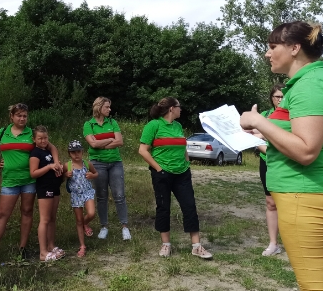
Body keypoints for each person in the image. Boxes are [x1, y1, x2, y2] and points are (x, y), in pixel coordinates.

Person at [240, 21, 323, 291]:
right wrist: (264, 133)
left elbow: (306, 149)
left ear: (294, 48)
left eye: (272, 46)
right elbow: (298, 137)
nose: (267, 52)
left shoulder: (309, 86)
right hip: (314, 193)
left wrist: (258, 120)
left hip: (308, 196)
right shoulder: (309, 82)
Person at [0, 104, 60, 264]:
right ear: (12, 117)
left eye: (24, 116)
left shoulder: (31, 133)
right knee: (2, 214)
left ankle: (23, 248)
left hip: (29, 180)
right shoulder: (3, 132)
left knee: (27, 212)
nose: (22, 118)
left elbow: (51, 146)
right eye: (18, 115)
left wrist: (56, 162)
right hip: (10, 180)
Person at [138, 97, 212, 259]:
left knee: (190, 207)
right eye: (179, 106)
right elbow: (143, 150)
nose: (181, 109)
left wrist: (187, 163)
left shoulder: (178, 126)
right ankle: (166, 245)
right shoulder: (153, 125)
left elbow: (183, 147)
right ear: (171, 108)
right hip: (162, 174)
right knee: (163, 207)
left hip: (182, 174)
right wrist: (159, 169)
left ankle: (196, 246)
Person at [83, 97, 131, 240]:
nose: (110, 109)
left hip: (115, 163)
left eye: (110, 107)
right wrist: (110, 140)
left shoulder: (113, 122)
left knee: (119, 195)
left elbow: (120, 141)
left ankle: (125, 227)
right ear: (99, 108)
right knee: (101, 196)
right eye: (107, 107)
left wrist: (101, 143)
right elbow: (92, 145)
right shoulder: (89, 124)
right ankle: (104, 226)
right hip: (97, 164)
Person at [254, 84, 284, 257]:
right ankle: (273, 244)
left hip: (286, 163)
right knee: (271, 203)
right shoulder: (264, 116)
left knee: (289, 203)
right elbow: (254, 137)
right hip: (267, 162)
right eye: (277, 97)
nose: (280, 100)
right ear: (271, 98)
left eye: (282, 96)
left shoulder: (292, 115)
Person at [29, 125, 63, 262]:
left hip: (54, 186)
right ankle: (43, 253)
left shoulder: (47, 149)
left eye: (45, 138)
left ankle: (51, 246)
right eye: (40, 138)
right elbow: (33, 173)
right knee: (45, 219)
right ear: (34, 139)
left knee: (52, 218)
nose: (43, 141)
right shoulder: (35, 153)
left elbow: (53, 148)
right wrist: (49, 167)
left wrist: (57, 164)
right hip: (44, 188)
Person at [63, 140, 98, 258]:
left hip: (87, 192)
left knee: (91, 213)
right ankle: (82, 245)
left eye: (78, 151)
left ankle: (85, 223)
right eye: (73, 152)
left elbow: (96, 173)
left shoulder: (87, 164)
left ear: (82, 152)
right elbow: (60, 178)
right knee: (78, 220)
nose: (76, 154)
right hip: (76, 195)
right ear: (69, 153)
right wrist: (65, 175)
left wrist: (92, 175)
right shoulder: (67, 166)